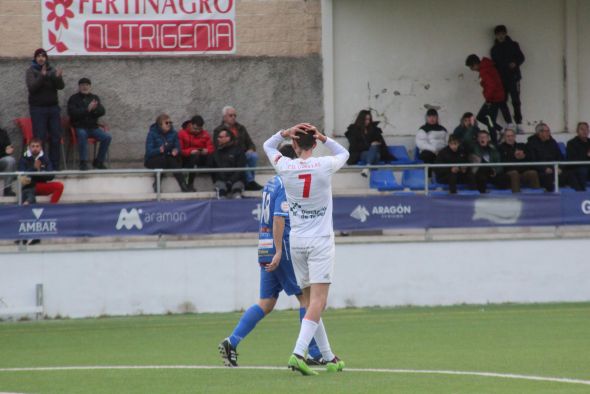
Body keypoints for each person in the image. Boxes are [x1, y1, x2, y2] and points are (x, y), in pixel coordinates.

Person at [218, 144, 324, 368]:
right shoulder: (287, 183)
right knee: (307, 298)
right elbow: (279, 218)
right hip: (281, 246)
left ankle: (232, 341)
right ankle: (311, 352)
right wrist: (280, 250)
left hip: (264, 244)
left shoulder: (270, 183)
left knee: (266, 302)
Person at [263, 123, 349, 376]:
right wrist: (325, 138)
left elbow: (268, 146)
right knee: (319, 302)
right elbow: (345, 154)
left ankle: (328, 356)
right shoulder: (324, 164)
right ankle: (298, 353)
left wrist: (283, 132)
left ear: (294, 145)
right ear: (315, 144)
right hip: (320, 240)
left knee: (311, 302)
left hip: (297, 241)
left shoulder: (285, 166)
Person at [26, 48, 65, 170]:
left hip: (53, 108)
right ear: (35, 58)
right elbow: (32, 88)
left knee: (55, 137)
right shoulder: (31, 70)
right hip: (38, 109)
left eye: (43, 56)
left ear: (46, 58)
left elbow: (60, 86)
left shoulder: (52, 70)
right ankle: (42, 166)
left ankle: (54, 166)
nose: (41, 58)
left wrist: (58, 78)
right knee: (40, 137)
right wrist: (42, 77)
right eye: (38, 56)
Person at [465, 54, 511, 145]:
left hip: (494, 98)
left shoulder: (484, 71)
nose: (472, 70)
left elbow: (491, 86)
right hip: (496, 97)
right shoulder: (488, 67)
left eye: (471, 67)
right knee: (486, 118)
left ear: (475, 64)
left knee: (487, 119)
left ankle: (495, 140)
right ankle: (500, 131)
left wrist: (488, 99)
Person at [213, 106, 262, 191]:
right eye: (230, 115)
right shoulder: (218, 130)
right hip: (229, 156)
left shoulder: (241, 128)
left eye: (235, 115)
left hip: (243, 154)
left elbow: (250, 143)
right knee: (241, 160)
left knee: (253, 156)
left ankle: (250, 181)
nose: (233, 117)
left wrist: (250, 149)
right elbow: (217, 146)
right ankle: (250, 182)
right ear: (224, 117)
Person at [67, 77, 111, 170]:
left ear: (90, 87)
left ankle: (99, 161)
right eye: (82, 85)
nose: (85, 87)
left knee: (107, 137)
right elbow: (73, 113)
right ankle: (83, 162)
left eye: (87, 85)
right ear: (79, 87)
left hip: (93, 127)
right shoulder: (73, 98)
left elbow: (102, 111)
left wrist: (94, 109)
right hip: (80, 127)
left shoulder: (94, 97)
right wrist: (87, 110)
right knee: (82, 135)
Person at [144, 114, 191, 193]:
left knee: (171, 160)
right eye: (166, 123)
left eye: (170, 122)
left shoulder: (174, 133)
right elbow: (149, 152)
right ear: (160, 124)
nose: (169, 124)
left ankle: (183, 185)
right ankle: (157, 184)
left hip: (168, 158)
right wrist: (159, 150)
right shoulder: (152, 134)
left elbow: (178, 146)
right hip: (153, 160)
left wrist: (176, 150)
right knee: (162, 159)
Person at [491, 25, 525, 132]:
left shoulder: (514, 45)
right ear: (495, 36)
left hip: (513, 77)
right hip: (501, 79)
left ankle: (519, 123)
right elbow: (494, 65)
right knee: (502, 100)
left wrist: (515, 63)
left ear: (505, 34)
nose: (500, 36)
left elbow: (521, 57)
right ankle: (509, 123)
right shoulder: (494, 49)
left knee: (516, 100)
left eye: (502, 34)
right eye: (498, 34)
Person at [344, 110, 394, 177]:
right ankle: (374, 175)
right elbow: (354, 146)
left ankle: (367, 167)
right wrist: (370, 145)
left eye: (369, 119)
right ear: (361, 119)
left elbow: (382, 143)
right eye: (366, 119)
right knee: (376, 156)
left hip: (374, 152)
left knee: (375, 150)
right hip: (360, 154)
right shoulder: (354, 130)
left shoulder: (373, 129)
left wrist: (377, 143)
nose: (368, 121)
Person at [18, 138, 64, 205]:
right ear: (29, 148)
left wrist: (39, 171)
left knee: (59, 186)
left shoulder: (45, 158)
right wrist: (34, 169)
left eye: (37, 146)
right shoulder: (24, 158)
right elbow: (22, 179)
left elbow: (51, 176)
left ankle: (52, 207)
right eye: (33, 146)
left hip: (41, 185)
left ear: (41, 148)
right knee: (28, 194)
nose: (35, 148)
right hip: (29, 186)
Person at [178, 115, 214, 191]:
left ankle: (216, 183)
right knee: (194, 157)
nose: (197, 131)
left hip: (201, 157)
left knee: (213, 157)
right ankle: (189, 184)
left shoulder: (205, 134)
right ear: (190, 124)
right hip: (187, 158)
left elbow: (211, 148)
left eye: (199, 129)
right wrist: (191, 151)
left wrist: (206, 151)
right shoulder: (182, 133)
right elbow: (180, 150)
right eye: (195, 128)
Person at [498, 128, 540, 192]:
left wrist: (524, 156)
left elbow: (530, 158)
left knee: (532, 173)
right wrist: (513, 156)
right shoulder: (500, 148)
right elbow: (502, 162)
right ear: (504, 137)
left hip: (523, 172)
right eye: (508, 136)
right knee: (514, 173)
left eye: (512, 136)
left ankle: (537, 195)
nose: (510, 138)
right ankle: (516, 195)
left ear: (515, 136)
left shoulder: (522, 145)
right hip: (508, 173)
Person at [209, 129, 246, 199]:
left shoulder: (238, 150)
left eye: (220, 137)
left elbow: (240, 168)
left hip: (237, 180)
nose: (218, 139)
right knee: (222, 194)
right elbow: (213, 168)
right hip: (221, 181)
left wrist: (231, 181)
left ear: (228, 138)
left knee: (237, 194)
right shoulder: (216, 152)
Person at [526, 123, 563, 192]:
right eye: (546, 131)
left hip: (554, 167)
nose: (549, 133)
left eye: (548, 131)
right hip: (540, 170)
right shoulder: (531, 144)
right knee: (548, 177)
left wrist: (559, 167)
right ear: (539, 133)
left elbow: (560, 157)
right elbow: (532, 160)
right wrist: (544, 168)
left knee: (571, 174)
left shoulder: (552, 142)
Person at [566, 122, 590, 191]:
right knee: (582, 171)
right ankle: (582, 194)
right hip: (577, 167)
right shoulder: (571, 143)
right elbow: (571, 159)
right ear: (577, 131)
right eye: (582, 129)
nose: (584, 131)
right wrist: (587, 155)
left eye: (586, 129)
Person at [0, 126, 17, 196]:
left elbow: (7, 147)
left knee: (10, 160)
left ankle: (7, 188)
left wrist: (9, 150)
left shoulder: (3, 133)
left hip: (1, 159)